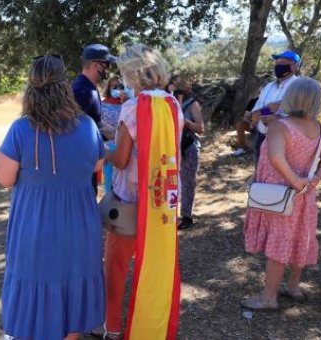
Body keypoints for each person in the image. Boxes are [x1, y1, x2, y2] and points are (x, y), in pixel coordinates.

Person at [0, 55, 105, 340]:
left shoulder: (21, 129)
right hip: (80, 226)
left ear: (30, 88)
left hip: (36, 227)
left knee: (35, 297)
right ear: (64, 86)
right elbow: (95, 165)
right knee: (73, 301)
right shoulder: (88, 126)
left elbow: (4, 177)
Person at [93, 44, 183, 340]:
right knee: (157, 266)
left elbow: (120, 158)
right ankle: (152, 324)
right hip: (162, 202)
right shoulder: (173, 104)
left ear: (132, 73)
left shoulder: (133, 107)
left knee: (116, 269)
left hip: (130, 202)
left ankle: (113, 327)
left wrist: (101, 149)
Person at [241, 77, 321, 310]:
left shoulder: (280, 127)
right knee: (298, 239)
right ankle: (293, 287)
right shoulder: (317, 128)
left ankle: (268, 298)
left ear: (290, 97)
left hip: (280, 195)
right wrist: (313, 180)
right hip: (304, 196)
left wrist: (295, 182)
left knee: (279, 244)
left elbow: (276, 158)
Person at [73, 43, 116, 193]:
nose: (107, 70)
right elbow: (76, 129)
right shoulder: (82, 91)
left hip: (89, 162)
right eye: (106, 65)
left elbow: (93, 120)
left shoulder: (90, 88)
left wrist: (113, 132)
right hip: (81, 165)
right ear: (95, 65)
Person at [248, 50, 300, 166]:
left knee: (283, 177)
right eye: (277, 63)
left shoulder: (299, 87)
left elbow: (301, 117)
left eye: (283, 63)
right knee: (260, 174)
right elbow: (254, 115)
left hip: (286, 141)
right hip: (261, 138)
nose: (278, 66)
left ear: (295, 67)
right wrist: (267, 109)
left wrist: (277, 117)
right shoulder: (268, 87)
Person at [171, 77, 205, 230]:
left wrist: (184, 121)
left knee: (188, 182)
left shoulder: (192, 104)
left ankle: (186, 216)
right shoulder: (169, 102)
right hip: (173, 148)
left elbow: (200, 128)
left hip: (189, 147)